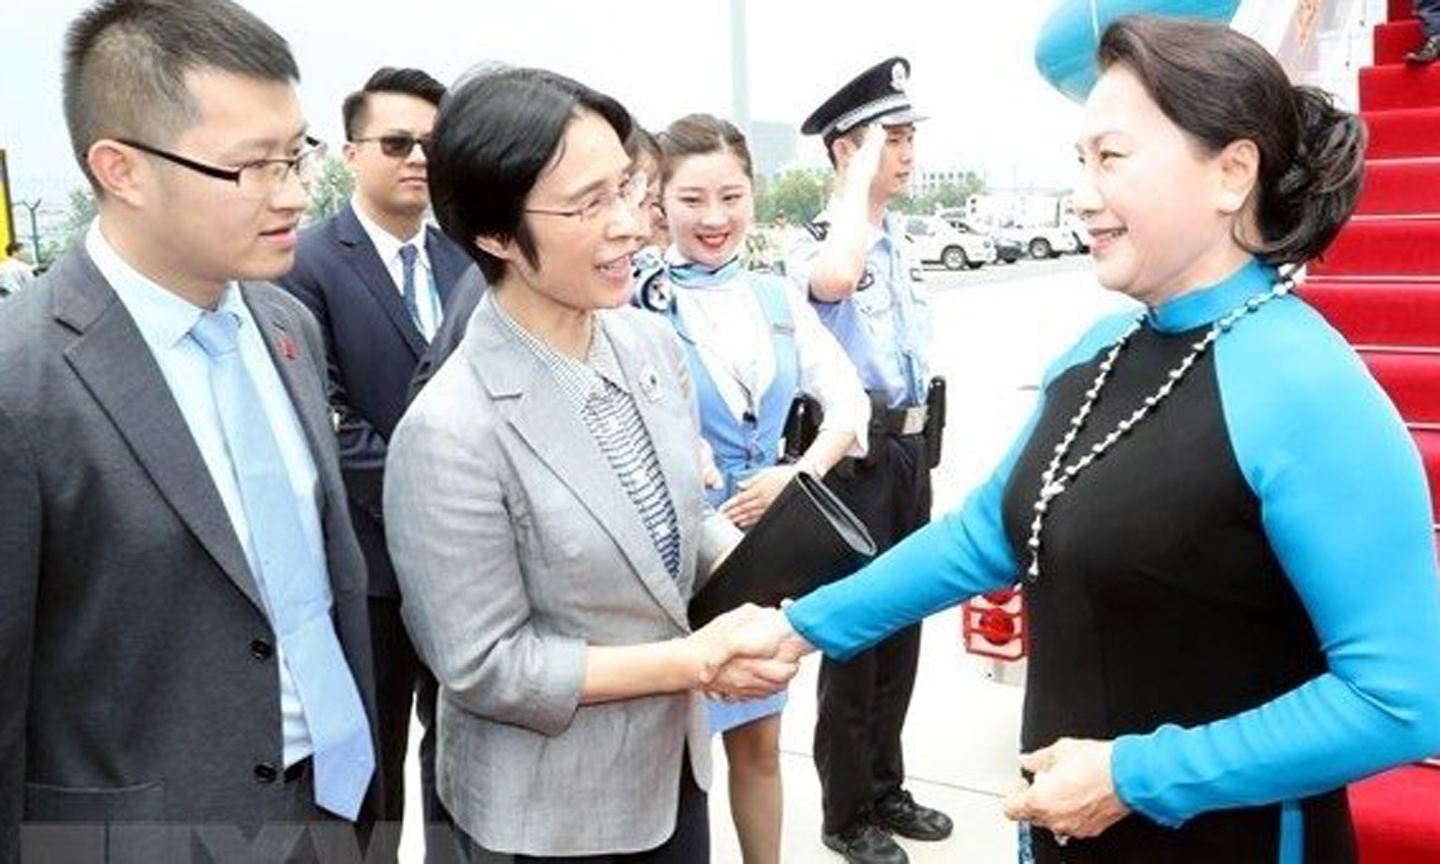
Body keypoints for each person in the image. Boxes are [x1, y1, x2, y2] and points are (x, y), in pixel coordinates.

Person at [737, 16, 1440, 864]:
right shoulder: (1095, 352)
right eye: (1080, 161)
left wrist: (1134, 777)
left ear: (1232, 173)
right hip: (1067, 831)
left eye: (1112, 157)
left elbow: (1402, 700)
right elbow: (986, 533)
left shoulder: (1309, 388)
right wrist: (798, 628)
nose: (1082, 193)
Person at [383, 66, 796, 863]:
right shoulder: (451, 430)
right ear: (497, 235)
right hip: (548, 820)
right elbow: (486, 667)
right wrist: (693, 660)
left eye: (628, 191)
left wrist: (759, 565)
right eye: (587, 204)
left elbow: (669, 523)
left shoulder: (647, 345)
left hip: (672, 775)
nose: (629, 227)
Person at [0, 1, 380, 862]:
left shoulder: (284, 325)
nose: (292, 193)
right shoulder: (22, 380)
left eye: (296, 155)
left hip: (329, 811)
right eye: (251, 168)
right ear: (121, 168)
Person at [649, 113, 871, 864]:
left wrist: (794, 475)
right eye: (692, 199)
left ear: (753, 195)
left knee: (760, 743)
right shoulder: (636, 300)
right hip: (667, 551)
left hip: (764, 557)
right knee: (672, 755)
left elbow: (850, 405)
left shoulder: (779, 298)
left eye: (731, 196)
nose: (714, 219)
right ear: (659, 200)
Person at [277, 65, 471, 863]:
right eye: (398, 142)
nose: (418, 158)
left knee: (461, 756)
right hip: (371, 567)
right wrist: (437, 503)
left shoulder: (470, 258)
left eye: (433, 143)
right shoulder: (307, 261)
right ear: (353, 152)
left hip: (468, 564)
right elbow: (328, 420)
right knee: (374, 763)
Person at [784, 57, 952, 864]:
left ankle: (887, 787)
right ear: (846, 153)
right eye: (892, 138)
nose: (908, 152)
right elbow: (836, 280)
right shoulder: (820, 245)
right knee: (854, 640)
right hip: (858, 459)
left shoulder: (903, 241)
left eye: (911, 135)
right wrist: (855, 185)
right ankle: (846, 812)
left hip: (912, 450)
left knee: (904, 628)